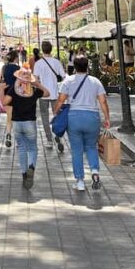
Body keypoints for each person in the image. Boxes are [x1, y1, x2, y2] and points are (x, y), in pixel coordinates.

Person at [53, 56, 111, 191]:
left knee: (77, 150)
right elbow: (103, 101)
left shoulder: (68, 81)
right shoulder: (95, 81)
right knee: (91, 147)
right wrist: (107, 118)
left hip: (74, 117)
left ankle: (79, 181)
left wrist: (55, 112)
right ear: (87, 66)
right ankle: (95, 172)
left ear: (74, 66)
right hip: (92, 117)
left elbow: (61, 100)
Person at [4, 67, 50, 188]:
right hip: (30, 123)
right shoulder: (34, 90)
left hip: (17, 124)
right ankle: (31, 167)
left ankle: (24, 174)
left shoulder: (13, 90)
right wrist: (37, 83)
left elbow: (5, 102)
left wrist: (2, 90)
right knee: (33, 148)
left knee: (21, 149)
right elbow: (47, 93)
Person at [33, 41, 66, 152]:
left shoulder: (38, 63)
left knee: (44, 117)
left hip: (43, 94)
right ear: (51, 49)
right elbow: (64, 76)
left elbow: (35, 79)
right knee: (57, 116)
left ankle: (49, 140)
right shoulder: (56, 62)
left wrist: (40, 88)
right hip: (55, 93)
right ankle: (58, 136)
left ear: (42, 50)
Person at [0, 50, 19, 148]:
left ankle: (8, 134)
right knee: (18, 117)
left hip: (7, 93)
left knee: (9, 117)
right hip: (16, 94)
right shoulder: (18, 68)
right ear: (15, 58)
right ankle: (18, 138)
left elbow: (1, 80)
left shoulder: (4, 68)